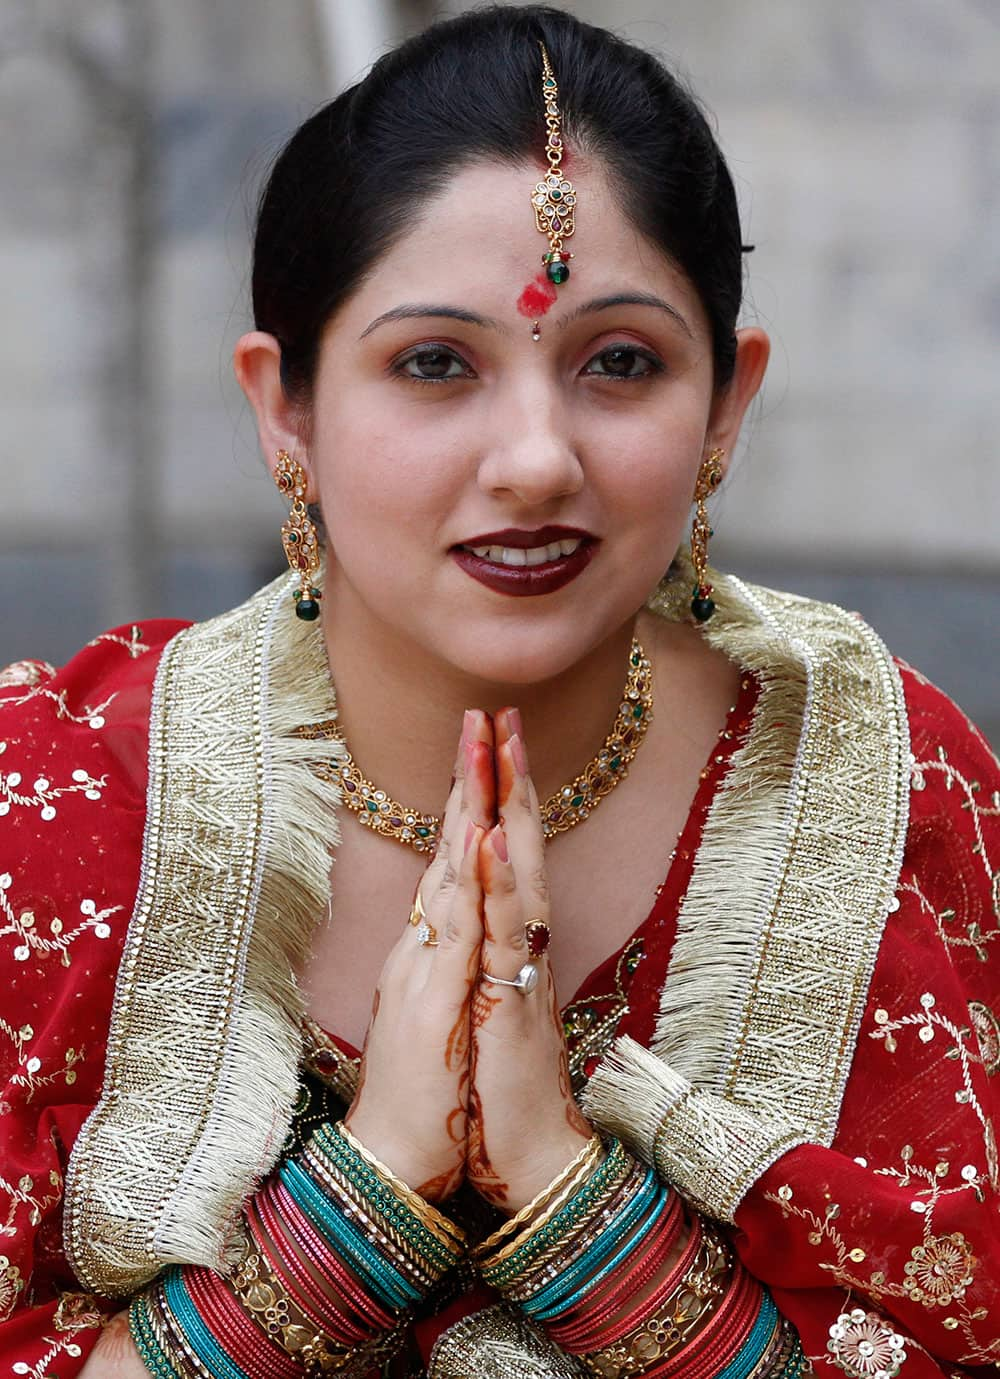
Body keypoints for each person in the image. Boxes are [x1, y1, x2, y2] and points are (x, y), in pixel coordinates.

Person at [1, 5, 997, 1376]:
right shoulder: (66, 811)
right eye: (434, 364)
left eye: (620, 363)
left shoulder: (884, 798)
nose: (536, 457)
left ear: (725, 405)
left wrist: (567, 1189)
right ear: (282, 408)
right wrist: (365, 1191)